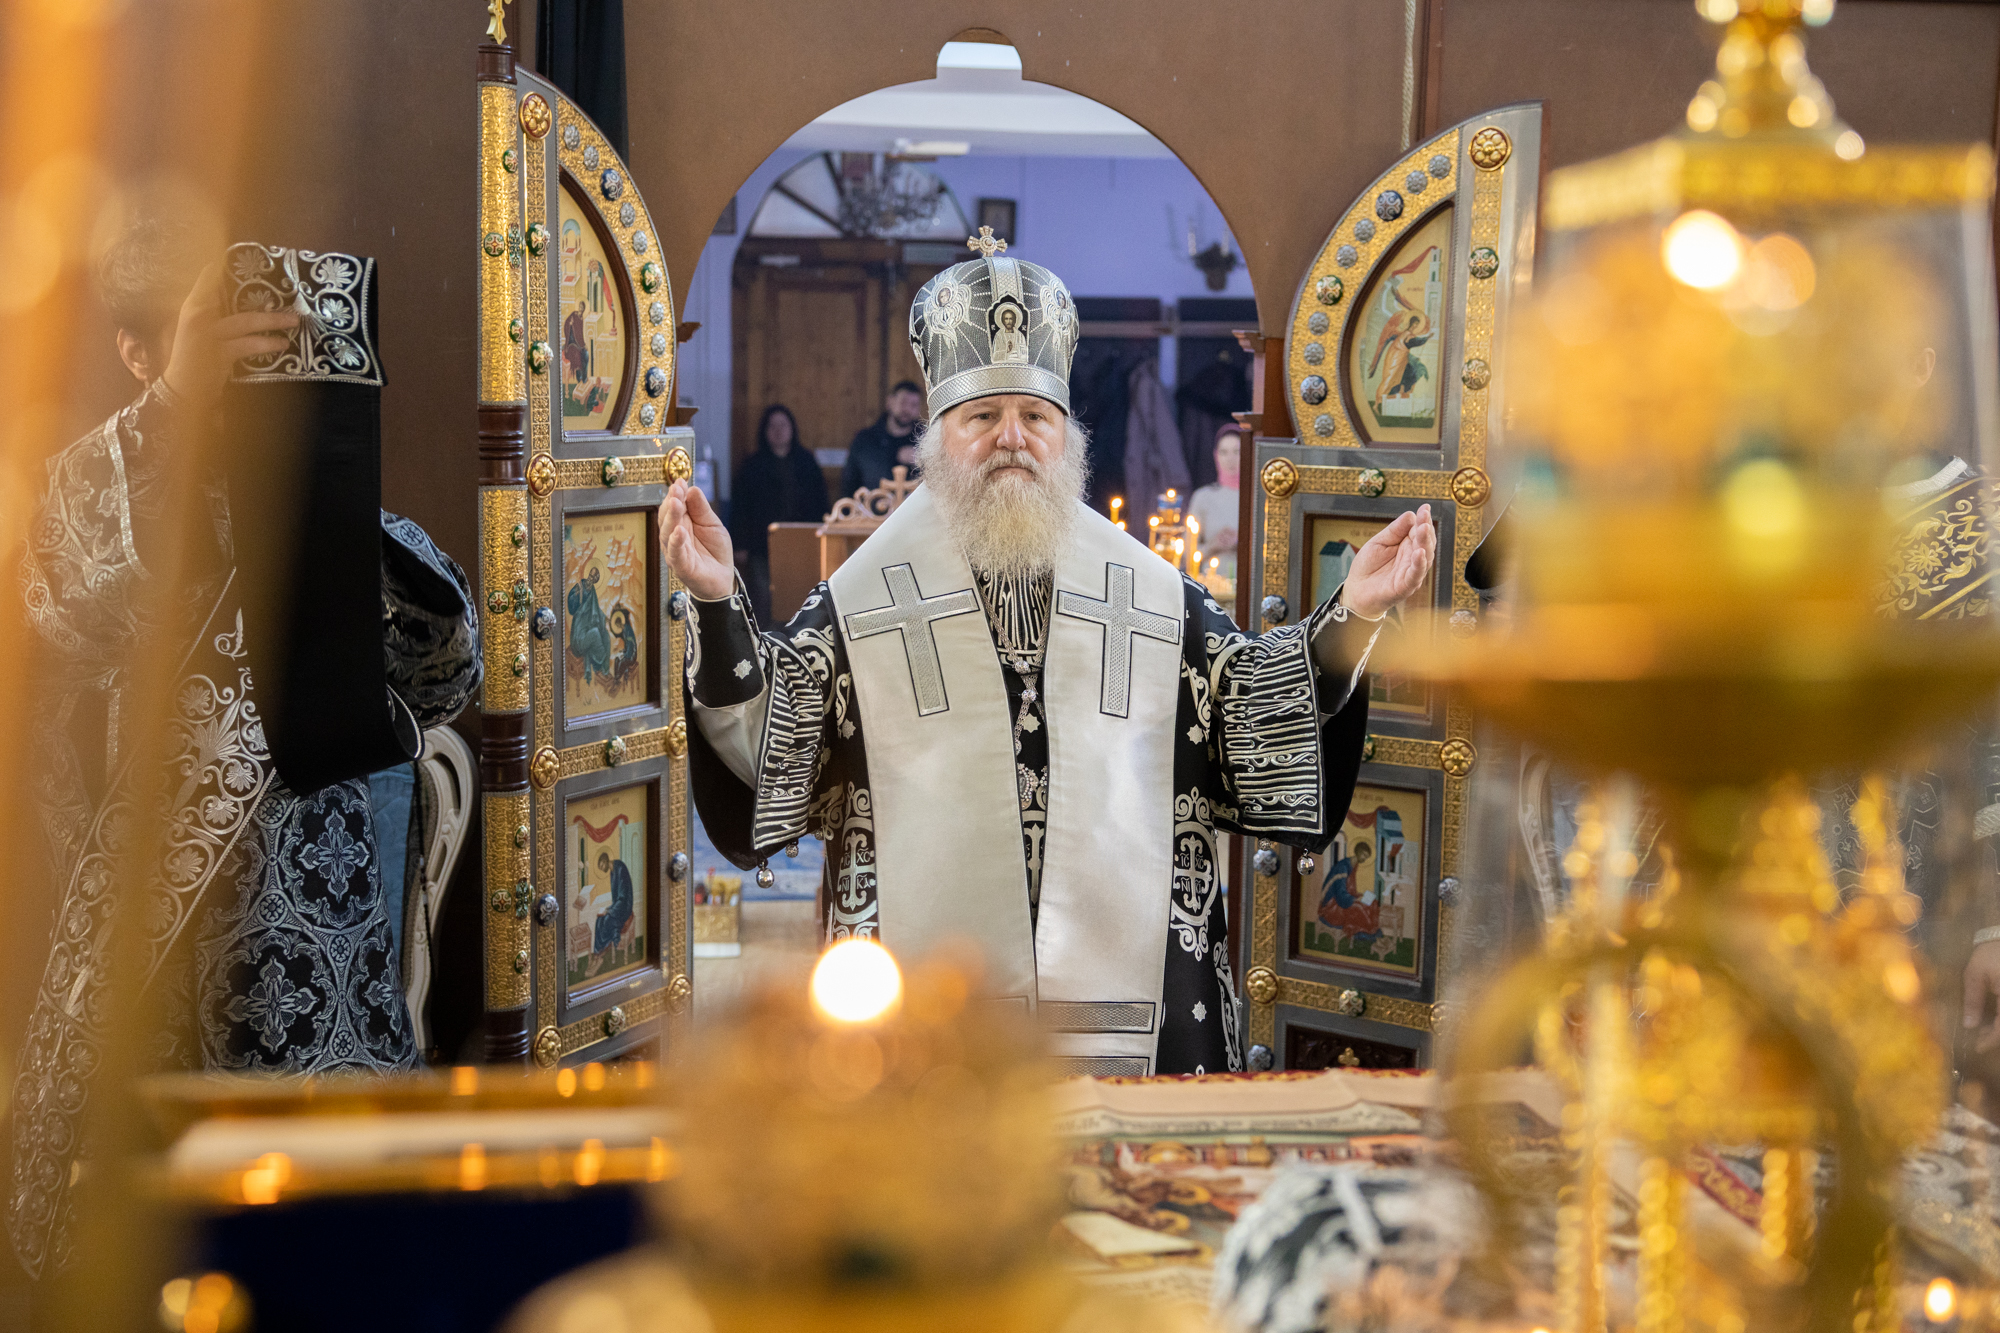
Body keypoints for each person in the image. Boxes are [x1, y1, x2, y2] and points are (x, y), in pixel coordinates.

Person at [664, 245, 1434, 1076]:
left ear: (1066, 435)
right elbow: (773, 734)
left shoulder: (1150, 593)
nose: (1013, 439)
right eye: (982, 417)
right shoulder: (862, 601)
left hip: (1138, 1010)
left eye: (1036, 416)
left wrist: (1353, 612)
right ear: (938, 437)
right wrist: (717, 599)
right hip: (921, 1010)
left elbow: (1251, 706)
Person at [11, 219, 482, 1279]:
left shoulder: (324, 510)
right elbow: (70, 600)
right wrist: (175, 409)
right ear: (139, 351)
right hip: (156, 925)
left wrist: (334, 497)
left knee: (329, 1241)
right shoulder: (98, 494)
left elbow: (449, 680)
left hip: (326, 931)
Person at [728, 404, 831, 625]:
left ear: (792, 429)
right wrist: (740, 544)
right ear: (764, 431)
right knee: (763, 597)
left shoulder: (807, 462)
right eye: (772, 426)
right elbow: (741, 507)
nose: (778, 431)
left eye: (783, 425)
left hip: (802, 543)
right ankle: (765, 638)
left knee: (800, 595)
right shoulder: (752, 465)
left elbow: (821, 502)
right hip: (762, 546)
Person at [839, 380, 925, 496]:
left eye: (914, 405)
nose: (907, 409)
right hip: (872, 505)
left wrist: (921, 460)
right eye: (903, 402)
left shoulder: (926, 442)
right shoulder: (865, 440)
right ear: (890, 402)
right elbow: (849, 483)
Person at [1185, 425, 1243, 578]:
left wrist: (1241, 542)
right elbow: (1186, 554)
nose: (1230, 459)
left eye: (1237, 452)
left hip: (1246, 582)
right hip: (1210, 583)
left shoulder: (1257, 497)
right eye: (1224, 452)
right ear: (1216, 456)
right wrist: (1213, 545)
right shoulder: (1203, 497)